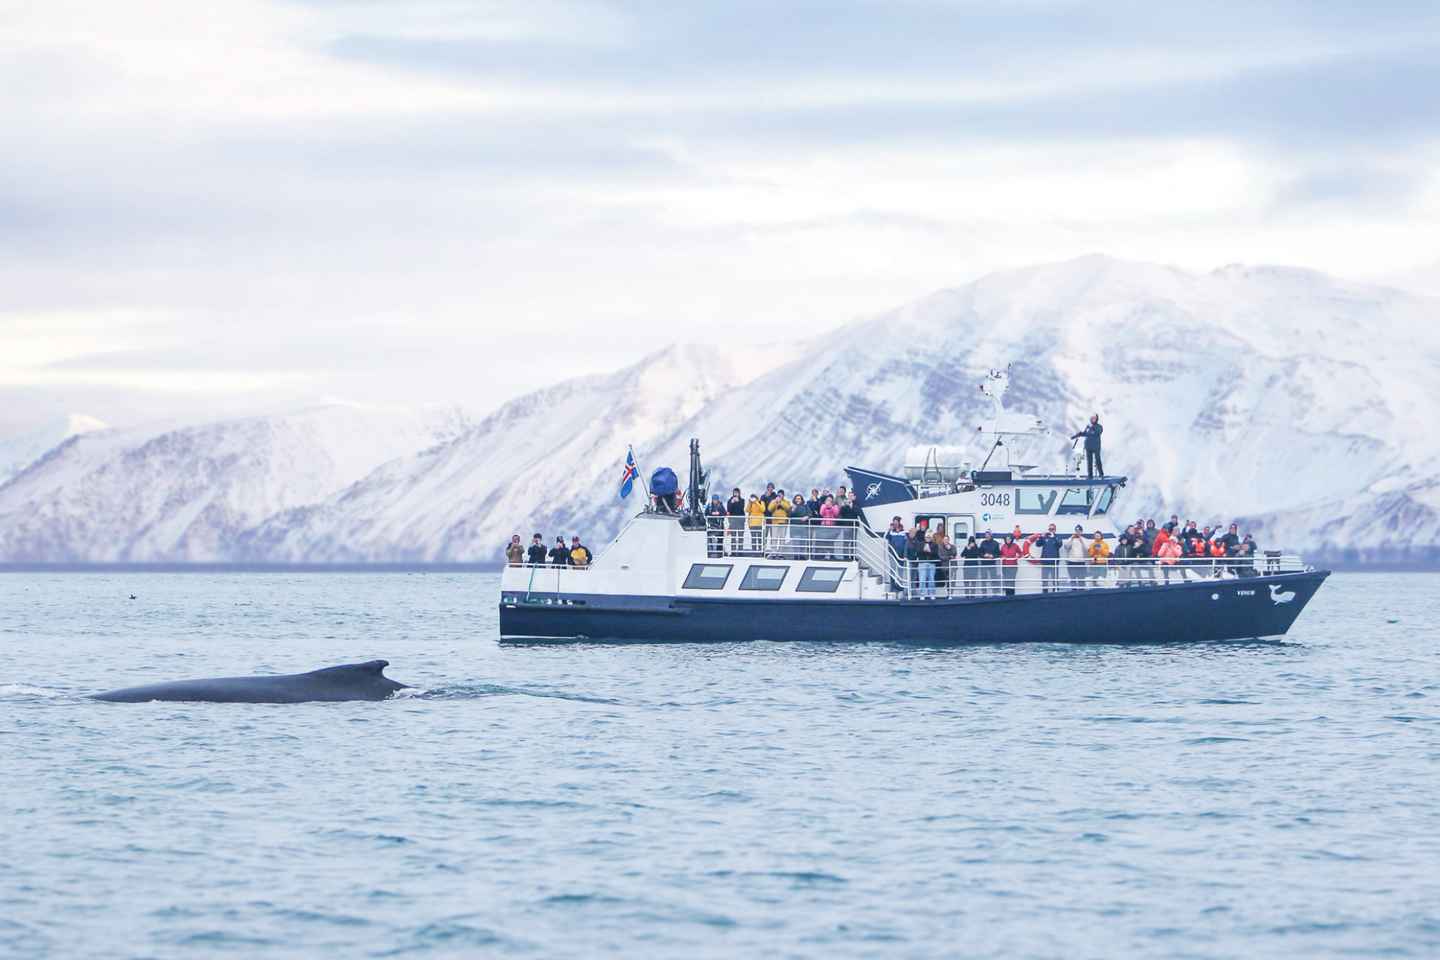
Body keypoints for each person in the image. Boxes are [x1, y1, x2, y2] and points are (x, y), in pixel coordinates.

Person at [1036, 523, 1062, 592]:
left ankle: (1055, 593)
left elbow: (1059, 545)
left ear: (1055, 530)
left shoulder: (1057, 537)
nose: (1051, 530)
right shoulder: (1045, 537)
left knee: (1055, 579)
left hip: (1054, 562)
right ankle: (1044, 593)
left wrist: (1054, 537)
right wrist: (1041, 537)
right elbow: (1037, 544)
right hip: (1045, 562)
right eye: (1049, 529)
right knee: (1044, 579)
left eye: (1052, 529)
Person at [885, 517, 908, 593]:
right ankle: (892, 586)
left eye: (896, 522)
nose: (895, 523)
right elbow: (886, 538)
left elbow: (906, 544)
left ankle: (900, 585)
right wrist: (889, 530)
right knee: (892, 570)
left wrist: (905, 555)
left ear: (899, 522)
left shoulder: (903, 532)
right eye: (894, 522)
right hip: (892, 554)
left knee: (901, 570)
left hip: (901, 555)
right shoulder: (891, 532)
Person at [977, 530, 1001, 596]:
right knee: (983, 579)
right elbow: (979, 553)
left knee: (994, 579)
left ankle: (995, 594)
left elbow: (998, 554)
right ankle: (984, 594)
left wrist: (993, 556)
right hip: (984, 564)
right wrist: (984, 555)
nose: (987, 537)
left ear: (991, 536)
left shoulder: (995, 543)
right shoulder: (983, 543)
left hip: (992, 564)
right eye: (986, 535)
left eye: (988, 535)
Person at [917, 532, 939, 598]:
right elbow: (918, 552)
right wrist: (923, 550)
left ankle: (932, 594)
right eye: (927, 537)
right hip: (922, 563)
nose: (928, 538)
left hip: (931, 563)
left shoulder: (935, 545)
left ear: (931, 538)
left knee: (931, 579)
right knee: (922, 579)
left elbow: (936, 554)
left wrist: (930, 551)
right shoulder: (920, 544)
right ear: (925, 537)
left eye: (929, 537)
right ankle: (922, 594)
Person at [726, 487, 746, 555]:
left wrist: (738, 501)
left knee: (740, 536)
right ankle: (733, 551)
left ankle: (740, 551)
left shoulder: (742, 500)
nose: (736, 494)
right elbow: (729, 509)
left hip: (740, 521)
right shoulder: (730, 500)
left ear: (739, 493)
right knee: (733, 537)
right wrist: (732, 502)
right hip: (733, 521)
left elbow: (741, 508)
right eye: (735, 492)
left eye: (737, 492)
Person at [936, 532, 956, 597]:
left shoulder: (953, 547)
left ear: (949, 540)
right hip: (945, 567)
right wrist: (949, 557)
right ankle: (947, 593)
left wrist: (949, 549)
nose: (946, 541)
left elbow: (954, 554)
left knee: (952, 580)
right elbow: (940, 556)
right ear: (943, 540)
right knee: (946, 580)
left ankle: (951, 594)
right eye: (944, 539)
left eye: (947, 539)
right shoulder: (940, 547)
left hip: (952, 566)